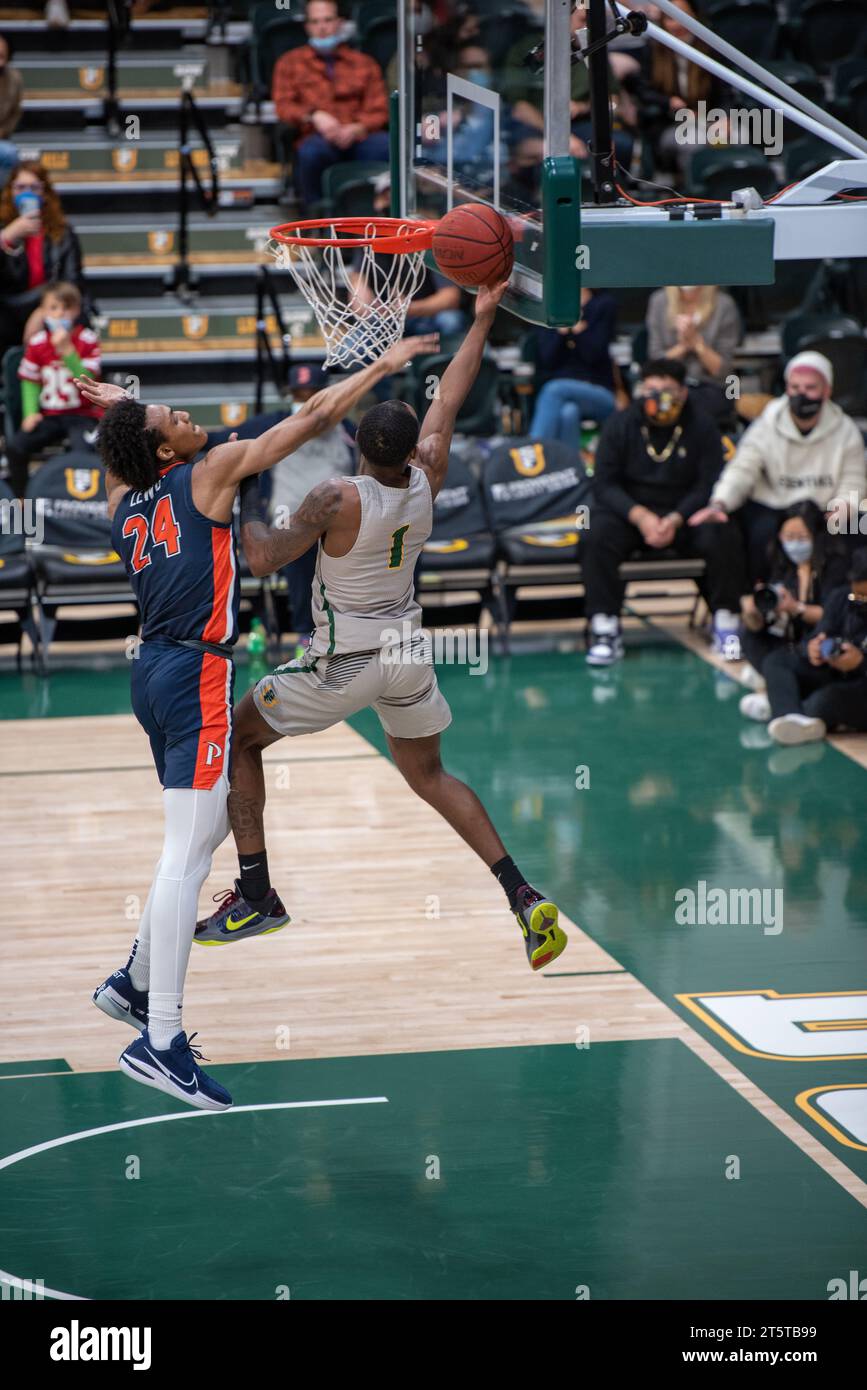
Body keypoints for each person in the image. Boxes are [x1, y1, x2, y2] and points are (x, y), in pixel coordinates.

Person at [76, 335, 435, 1111]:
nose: (189, 418)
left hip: (152, 675)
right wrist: (382, 367)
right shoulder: (206, 473)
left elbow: (122, 458)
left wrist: (124, 412)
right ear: (165, 449)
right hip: (196, 675)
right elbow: (311, 419)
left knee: (203, 830)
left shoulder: (123, 501)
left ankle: (133, 982)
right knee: (184, 855)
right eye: (174, 418)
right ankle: (161, 1042)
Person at [193, 282, 568, 980]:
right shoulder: (427, 473)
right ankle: (522, 895)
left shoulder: (336, 497)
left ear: (357, 443)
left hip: (346, 657)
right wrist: (482, 318)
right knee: (430, 775)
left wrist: (245, 488)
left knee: (240, 736)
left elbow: (261, 557)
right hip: (406, 651)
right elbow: (450, 394)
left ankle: (256, 895)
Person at [582, 357, 740, 665]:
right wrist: (640, 516)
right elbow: (604, 484)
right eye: (651, 390)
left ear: (682, 392)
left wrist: (676, 518)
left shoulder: (702, 425)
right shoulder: (621, 423)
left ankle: (726, 622)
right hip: (632, 513)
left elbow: (709, 482)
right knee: (595, 533)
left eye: (666, 391)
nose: (657, 398)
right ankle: (605, 627)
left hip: (685, 513)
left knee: (722, 530)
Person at [689, 352, 867, 585]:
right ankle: (754, 597)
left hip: (826, 509)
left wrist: (844, 506)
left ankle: (836, 599)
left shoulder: (846, 430)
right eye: (795, 387)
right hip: (774, 506)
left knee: (856, 529)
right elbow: (742, 469)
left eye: (810, 388)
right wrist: (720, 502)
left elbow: (854, 480)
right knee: (735, 530)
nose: (801, 394)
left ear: (827, 390)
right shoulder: (766, 425)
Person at [269, 362, 357, 656]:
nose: (305, 401)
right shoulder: (273, 425)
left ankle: (346, 633)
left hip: (338, 517)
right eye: (299, 394)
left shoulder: (346, 427)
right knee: (296, 552)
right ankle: (305, 634)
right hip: (290, 516)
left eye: (313, 394)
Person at [272, 0, 390, 210]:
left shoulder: (364, 63)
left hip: (360, 136)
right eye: (315, 21)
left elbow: (380, 108)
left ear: (339, 23)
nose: (322, 27)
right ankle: (315, 218)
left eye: (327, 20)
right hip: (317, 136)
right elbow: (283, 106)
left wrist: (357, 128)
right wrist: (313, 116)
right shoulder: (289, 62)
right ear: (307, 26)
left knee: (386, 146)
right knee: (310, 153)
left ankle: (378, 213)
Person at [738, 501, 849, 717]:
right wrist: (752, 611)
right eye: (788, 537)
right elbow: (762, 621)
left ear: (817, 536)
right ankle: (778, 689)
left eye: (801, 537)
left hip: (822, 648)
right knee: (751, 636)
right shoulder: (784, 567)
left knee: (778, 662)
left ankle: (786, 710)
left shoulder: (837, 568)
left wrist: (796, 608)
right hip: (793, 645)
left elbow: (834, 616)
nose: (794, 544)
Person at [759, 548, 867, 745]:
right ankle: (789, 715)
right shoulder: (841, 597)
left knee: (825, 701)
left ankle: (780, 707)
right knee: (777, 661)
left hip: (859, 687)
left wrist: (860, 663)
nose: (860, 601)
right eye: (857, 595)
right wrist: (813, 648)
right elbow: (817, 634)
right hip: (835, 673)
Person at [6, 281, 101, 496]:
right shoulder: (38, 343)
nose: (59, 314)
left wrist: (68, 352)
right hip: (50, 414)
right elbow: (30, 381)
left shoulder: (88, 340)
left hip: (82, 414)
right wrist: (30, 413)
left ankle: (81, 499)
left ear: (76, 310)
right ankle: (22, 496)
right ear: (43, 312)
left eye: (66, 308)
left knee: (84, 451)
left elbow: (89, 381)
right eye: (53, 308)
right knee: (16, 446)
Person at [0, 160, 89, 361]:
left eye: (34, 188)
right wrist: (6, 237)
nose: (27, 193)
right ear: (10, 191)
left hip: (52, 309)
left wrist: (43, 311)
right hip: (6, 313)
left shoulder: (62, 231)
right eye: (20, 187)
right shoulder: (4, 228)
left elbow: (73, 282)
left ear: (45, 193)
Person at [623, 0, 723, 175]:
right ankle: (697, 188)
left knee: (737, 136)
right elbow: (643, 92)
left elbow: (726, 91)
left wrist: (725, 117)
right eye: (670, 18)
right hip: (669, 123)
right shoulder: (652, 49)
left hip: (709, 118)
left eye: (684, 17)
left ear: (695, 17)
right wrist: (668, 102)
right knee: (693, 140)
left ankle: (730, 186)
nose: (677, 24)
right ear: (662, 21)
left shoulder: (711, 49)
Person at [529, 288, 618, 450]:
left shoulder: (603, 305)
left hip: (598, 389)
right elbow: (547, 359)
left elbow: (594, 355)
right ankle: (571, 463)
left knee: (554, 389)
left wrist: (577, 332)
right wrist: (562, 332)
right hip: (559, 394)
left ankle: (534, 454)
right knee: (568, 412)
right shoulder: (549, 307)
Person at [645, 284, 741, 424]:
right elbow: (655, 364)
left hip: (712, 387)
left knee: (690, 406)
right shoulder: (659, 301)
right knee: (654, 405)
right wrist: (683, 346)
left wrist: (696, 342)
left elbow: (723, 369)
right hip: (668, 387)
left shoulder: (724, 304)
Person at [0, 34, 22, 189]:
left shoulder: (14, 78)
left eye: (2, 51)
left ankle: (4, 198)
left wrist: (3, 131)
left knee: (9, 153)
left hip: (1, 137)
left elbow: (15, 112)